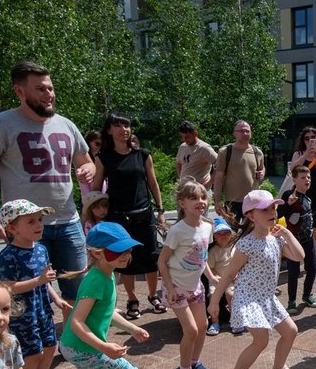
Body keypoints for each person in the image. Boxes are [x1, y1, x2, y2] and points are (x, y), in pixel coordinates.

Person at [0, 61, 94, 301]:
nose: (49, 95)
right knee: (29, 296)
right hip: (25, 227)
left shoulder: (66, 124)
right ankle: (33, 340)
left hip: (69, 223)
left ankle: (73, 338)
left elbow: (87, 162)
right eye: (40, 89)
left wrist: (87, 170)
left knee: (80, 293)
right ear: (20, 91)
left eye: (50, 88)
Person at [56, 222, 151, 369]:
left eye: (128, 250)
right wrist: (103, 347)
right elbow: (77, 322)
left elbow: (106, 314)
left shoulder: (106, 274)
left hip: (74, 346)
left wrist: (132, 328)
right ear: (97, 253)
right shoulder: (97, 279)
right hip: (84, 347)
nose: (126, 255)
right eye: (118, 250)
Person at [208, 190, 304, 369]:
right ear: (251, 216)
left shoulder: (276, 238)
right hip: (249, 299)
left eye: (273, 208)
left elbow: (299, 256)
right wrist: (215, 301)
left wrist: (286, 233)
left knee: (290, 331)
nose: (272, 212)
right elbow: (228, 275)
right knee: (261, 341)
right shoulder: (246, 244)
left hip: (267, 298)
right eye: (265, 210)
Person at [0, 199, 71, 369]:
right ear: (12, 228)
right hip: (23, 314)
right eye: (31, 221)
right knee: (32, 353)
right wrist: (38, 281)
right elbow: (8, 287)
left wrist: (56, 298)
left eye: (39, 220)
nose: (39, 225)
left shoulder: (40, 250)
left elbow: (44, 280)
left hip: (42, 309)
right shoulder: (8, 255)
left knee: (50, 346)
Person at [91, 112, 166, 319]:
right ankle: (132, 299)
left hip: (144, 214)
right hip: (118, 217)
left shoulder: (142, 154)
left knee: (151, 257)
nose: (124, 130)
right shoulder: (104, 157)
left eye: (127, 126)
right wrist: (95, 213)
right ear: (109, 130)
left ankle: (153, 295)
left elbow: (153, 183)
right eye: (119, 126)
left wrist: (160, 210)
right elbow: (96, 188)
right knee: (125, 259)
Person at [158, 180, 216, 369]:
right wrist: (171, 289)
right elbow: (162, 262)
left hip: (196, 287)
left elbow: (202, 258)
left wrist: (211, 277)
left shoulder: (208, 227)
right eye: (193, 198)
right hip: (177, 288)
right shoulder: (177, 231)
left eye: (202, 197)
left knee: (202, 326)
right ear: (182, 203)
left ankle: (193, 363)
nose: (200, 201)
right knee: (191, 330)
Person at [278, 166, 316, 315]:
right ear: (294, 180)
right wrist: (288, 203)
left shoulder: (308, 197)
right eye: (303, 177)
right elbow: (278, 214)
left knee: (312, 268)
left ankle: (307, 295)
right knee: (293, 272)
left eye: (308, 177)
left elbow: (306, 215)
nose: (307, 180)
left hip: (307, 240)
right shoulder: (289, 194)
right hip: (293, 241)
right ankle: (291, 301)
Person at [289, 126, 316, 258]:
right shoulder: (299, 154)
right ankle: (298, 257)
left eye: (313, 137)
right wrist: (306, 154)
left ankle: (314, 261)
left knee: (315, 232)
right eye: (307, 138)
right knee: (298, 229)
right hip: (300, 196)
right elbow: (292, 170)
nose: (310, 140)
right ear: (303, 140)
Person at [214, 120, 266, 224]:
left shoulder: (257, 152)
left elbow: (262, 168)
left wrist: (262, 173)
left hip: (252, 202)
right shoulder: (225, 151)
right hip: (232, 202)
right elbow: (218, 177)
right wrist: (217, 201)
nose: (245, 134)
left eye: (247, 131)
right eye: (241, 131)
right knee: (231, 235)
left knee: (252, 234)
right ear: (234, 133)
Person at [205, 217, 237, 336]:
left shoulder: (235, 247)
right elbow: (210, 267)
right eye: (219, 234)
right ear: (214, 237)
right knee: (213, 296)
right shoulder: (214, 251)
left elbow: (241, 263)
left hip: (232, 279)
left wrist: (237, 274)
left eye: (226, 233)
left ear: (231, 234)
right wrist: (215, 276)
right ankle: (215, 322)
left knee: (231, 295)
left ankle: (235, 320)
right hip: (217, 279)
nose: (223, 236)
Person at [175, 121, 218, 189]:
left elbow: (220, 164)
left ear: (195, 134)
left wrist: (209, 183)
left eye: (187, 137)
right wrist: (181, 178)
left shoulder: (204, 148)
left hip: (200, 190)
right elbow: (179, 163)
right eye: (182, 137)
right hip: (185, 189)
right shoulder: (182, 147)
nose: (184, 140)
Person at [79, 130, 107, 197]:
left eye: (102, 145)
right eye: (97, 144)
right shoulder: (83, 162)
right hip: (90, 200)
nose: (100, 148)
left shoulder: (104, 159)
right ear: (88, 143)